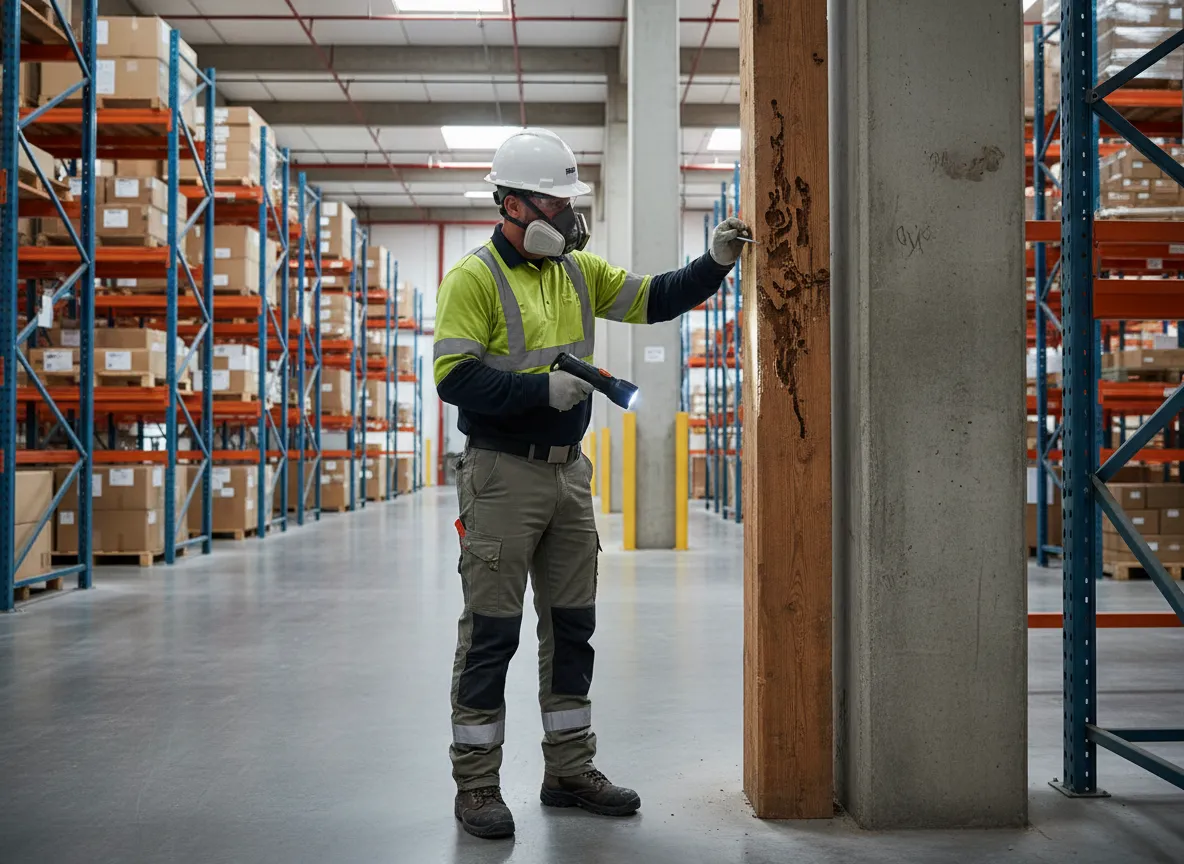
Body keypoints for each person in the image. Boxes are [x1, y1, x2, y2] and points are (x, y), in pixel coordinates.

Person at [434, 128, 751, 840]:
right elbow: (454, 380)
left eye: (568, 202)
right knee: (491, 632)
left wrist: (715, 264)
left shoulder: (576, 272)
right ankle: (477, 784)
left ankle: (569, 770)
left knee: (573, 624)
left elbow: (655, 298)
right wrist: (537, 391)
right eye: (553, 202)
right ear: (513, 205)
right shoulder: (473, 279)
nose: (566, 215)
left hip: (568, 474)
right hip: (499, 475)